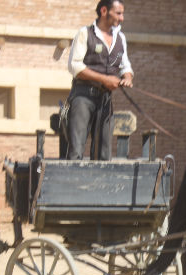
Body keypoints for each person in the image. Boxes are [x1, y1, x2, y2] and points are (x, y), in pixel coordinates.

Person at [66, 0, 134, 160]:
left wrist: (127, 77)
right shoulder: (85, 33)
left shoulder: (120, 38)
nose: (122, 18)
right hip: (83, 96)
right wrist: (105, 79)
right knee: (76, 150)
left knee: (104, 152)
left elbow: (125, 65)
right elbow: (75, 66)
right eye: (118, 13)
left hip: (105, 99)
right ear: (104, 11)